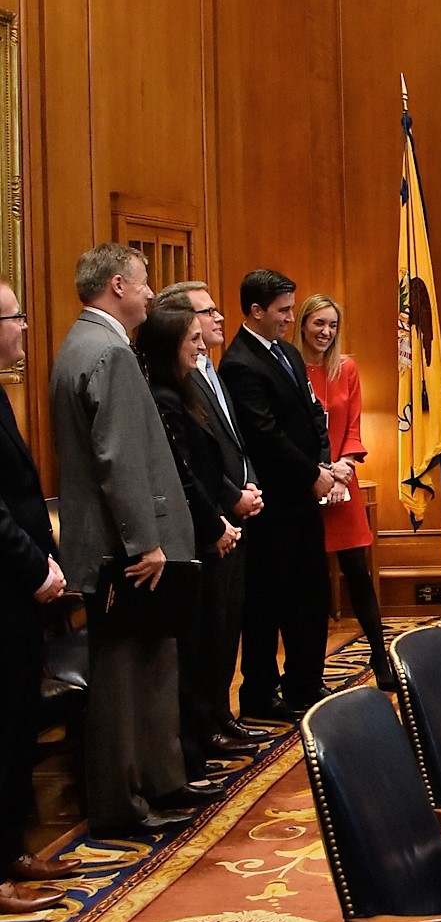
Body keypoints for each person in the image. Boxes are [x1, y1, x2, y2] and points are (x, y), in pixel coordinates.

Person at [50, 243, 198, 835]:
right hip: (124, 551)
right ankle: (122, 804)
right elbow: (117, 457)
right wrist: (145, 542)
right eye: (143, 283)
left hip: (122, 543)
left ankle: (158, 782)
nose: (149, 294)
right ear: (117, 285)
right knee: (121, 679)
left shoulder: (86, 344)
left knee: (150, 666)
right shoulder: (106, 350)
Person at [137, 302, 246, 786]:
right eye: (193, 341)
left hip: (207, 529)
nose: (202, 347)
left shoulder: (182, 392)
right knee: (193, 651)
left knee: (211, 643)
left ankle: (203, 738)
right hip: (192, 538)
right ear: (169, 346)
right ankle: (192, 751)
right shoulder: (161, 398)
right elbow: (182, 477)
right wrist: (216, 524)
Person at [219, 268, 333, 722]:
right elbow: (265, 436)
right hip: (273, 504)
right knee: (268, 603)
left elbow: (311, 415)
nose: (291, 318)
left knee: (310, 594)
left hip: (303, 497)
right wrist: (311, 474)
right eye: (283, 310)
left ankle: (305, 682)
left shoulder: (285, 351)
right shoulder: (240, 363)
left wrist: (322, 465)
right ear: (256, 311)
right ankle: (261, 694)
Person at [158, 281, 267, 754]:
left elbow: (233, 442)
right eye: (206, 313)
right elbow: (190, 464)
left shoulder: (209, 368)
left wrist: (250, 488)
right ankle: (206, 726)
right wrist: (228, 502)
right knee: (210, 633)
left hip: (236, 513)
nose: (217, 320)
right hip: (212, 522)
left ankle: (220, 716)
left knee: (228, 628)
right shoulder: (173, 385)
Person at [0, 281, 76, 911]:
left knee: (17, 723)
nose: (25, 327)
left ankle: (13, 849)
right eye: (15, 316)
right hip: (3, 588)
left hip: (18, 586)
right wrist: (34, 566)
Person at [292, 294, 389, 687]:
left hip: (343, 483)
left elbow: (352, 427)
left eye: (332, 325)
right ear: (302, 324)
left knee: (358, 573)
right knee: (308, 579)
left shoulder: (346, 368)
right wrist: (319, 473)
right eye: (318, 323)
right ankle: (307, 672)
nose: (325, 332)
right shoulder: (291, 366)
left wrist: (345, 467)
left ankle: (380, 658)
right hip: (306, 483)